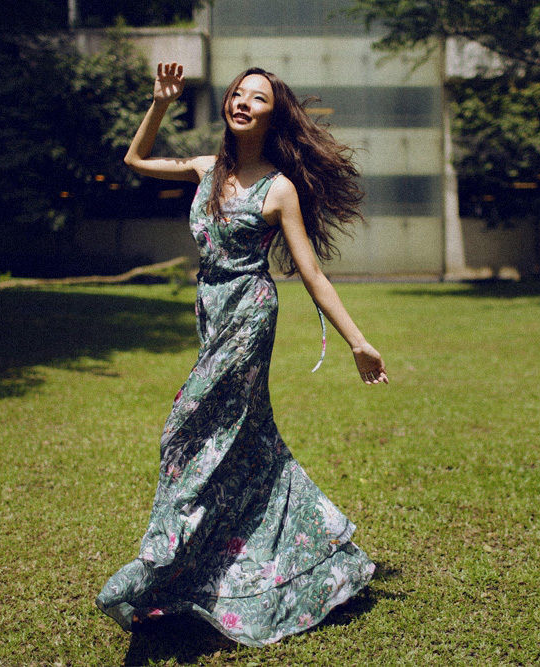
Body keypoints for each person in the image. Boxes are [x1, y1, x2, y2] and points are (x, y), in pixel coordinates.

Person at [95, 63, 388, 647]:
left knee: (184, 433)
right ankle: (296, 559)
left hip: (249, 315)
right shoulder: (206, 168)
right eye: (237, 94)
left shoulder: (278, 189)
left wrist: (357, 341)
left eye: (258, 98)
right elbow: (134, 160)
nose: (243, 103)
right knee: (247, 443)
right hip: (211, 309)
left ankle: (158, 566)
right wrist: (160, 103)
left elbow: (312, 274)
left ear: (272, 116)